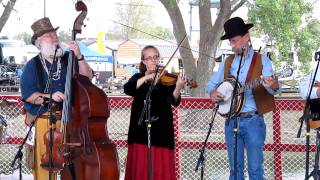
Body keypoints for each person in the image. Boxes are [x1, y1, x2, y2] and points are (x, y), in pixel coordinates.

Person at [206, 17, 281, 180]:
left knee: (255, 170)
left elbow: (273, 89)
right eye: (230, 42)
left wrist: (273, 84)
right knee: (234, 170)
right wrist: (212, 93)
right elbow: (210, 84)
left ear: (246, 37)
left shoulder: (262, 60)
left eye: (234, 41)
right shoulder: (227, 61)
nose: (232, 45)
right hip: (231, 121)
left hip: (253, 121)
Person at [20, 17, 93, 180]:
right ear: (39, 42)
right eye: (49, 35)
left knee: (73, 165)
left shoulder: (69, 58)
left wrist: (79, 56)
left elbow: (88, 77)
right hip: (45, 122)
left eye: (54, 34)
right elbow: (29, 96)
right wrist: (49, 97)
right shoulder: (32, 65)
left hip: (71, 123)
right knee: (47, 168)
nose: (54, 37)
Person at [123, 45, 186, 180]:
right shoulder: (138, 77)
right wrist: (147, 78)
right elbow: (128, 89)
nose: (153, 60)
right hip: (140, 133)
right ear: (144, 61)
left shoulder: (166, 79)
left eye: (156, 57)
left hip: (162, 133)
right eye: (149, 58)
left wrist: (178, 87)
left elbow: (174, 100)